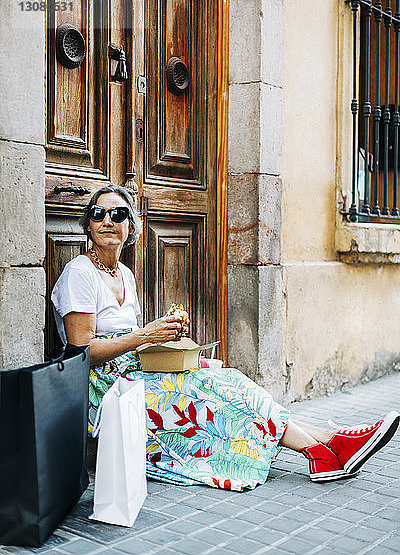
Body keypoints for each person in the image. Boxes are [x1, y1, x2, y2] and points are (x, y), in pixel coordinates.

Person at [51, 185, 400, 491]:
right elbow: (81, 352)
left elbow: (136, 342)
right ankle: (326, 448)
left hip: (136, 370)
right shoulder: (80, 273)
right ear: (89, 225)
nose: (108, 221)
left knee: (226, 379)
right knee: (216, 395)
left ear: (131, 227)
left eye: (119, 213)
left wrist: (167, 336)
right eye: (99, 214)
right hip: (105, 386)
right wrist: (146, 334)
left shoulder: (124, 273)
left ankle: (326, 447)